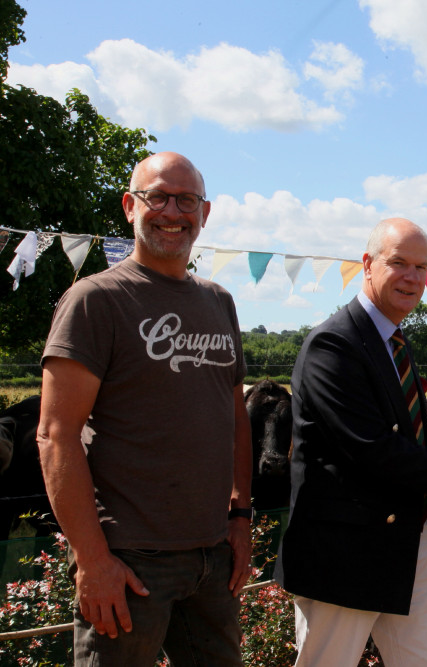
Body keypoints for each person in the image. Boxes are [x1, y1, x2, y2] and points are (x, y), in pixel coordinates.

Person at [36, 152, 252, 665]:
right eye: (158, 197)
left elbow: (234, 418)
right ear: (131, 207)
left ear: (205, 212)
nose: (172, 211)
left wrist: (240, 517)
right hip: (129, 561)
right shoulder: (95, 300)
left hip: (211, 556)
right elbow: (55, 436)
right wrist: (92, 560)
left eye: (187, 200)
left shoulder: (219, 300)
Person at [275, 217, 427, 666]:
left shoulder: (393, 341)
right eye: (399, 262)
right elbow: (375, 452)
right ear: (367, 264)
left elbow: (412, 440)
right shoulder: (333, 345)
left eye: (421, 267)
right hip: (343, 557)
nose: (412, 277)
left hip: (414, 539)